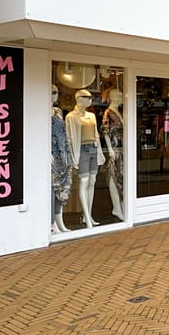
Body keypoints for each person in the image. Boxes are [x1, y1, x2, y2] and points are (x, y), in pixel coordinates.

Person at [66, 89, 104, 228]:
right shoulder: (70, 117)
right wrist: (72, 156)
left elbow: (96, 134)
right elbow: (69, 138)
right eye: (87, 97)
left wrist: (99, 151)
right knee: (84, 181)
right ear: (78, 98)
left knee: (92, 181)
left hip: (93, 148)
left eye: (91, 97)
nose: (90, 99)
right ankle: (87, 217)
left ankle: (88, 215)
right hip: (81, 149)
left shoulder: (92, 116)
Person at [50, 85, 72, 233]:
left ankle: (60, 222)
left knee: (63, 188)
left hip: (62, 153)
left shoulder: (58, 112)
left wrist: (68, 153)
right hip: (51, 154)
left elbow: (64, 133)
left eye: (56, 92)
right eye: (52, 92)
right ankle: (52, 223)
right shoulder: (40, 111)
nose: (55, 95)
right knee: (53, 188)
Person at [100, 88, 125, 221]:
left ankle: (121, 205)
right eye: (119, 96)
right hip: (115, 149)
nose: (122, 98)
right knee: (114, 176)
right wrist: (110, 149)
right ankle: (116, 208)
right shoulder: (108, 113)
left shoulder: (120, 112)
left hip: (123, 149)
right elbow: (105, 131)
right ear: (114, 97)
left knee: (121, 178)